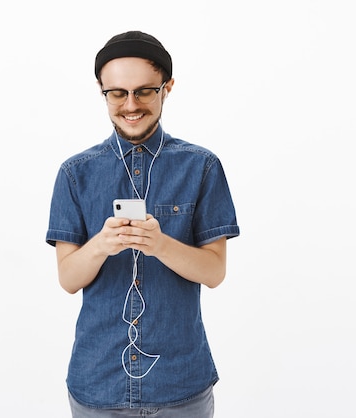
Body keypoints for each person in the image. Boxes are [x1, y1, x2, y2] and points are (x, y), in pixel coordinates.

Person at [45, 30, 240, 417]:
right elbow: (68, 279)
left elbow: (215, 272)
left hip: (180, 384)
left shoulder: (201, 167)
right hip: (98, 383)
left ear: (167, 88)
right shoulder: (74, 174)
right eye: (117, 92)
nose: (130, 104)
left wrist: (159, 244)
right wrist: (101, 244)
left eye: (144, 91)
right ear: (102, 92)